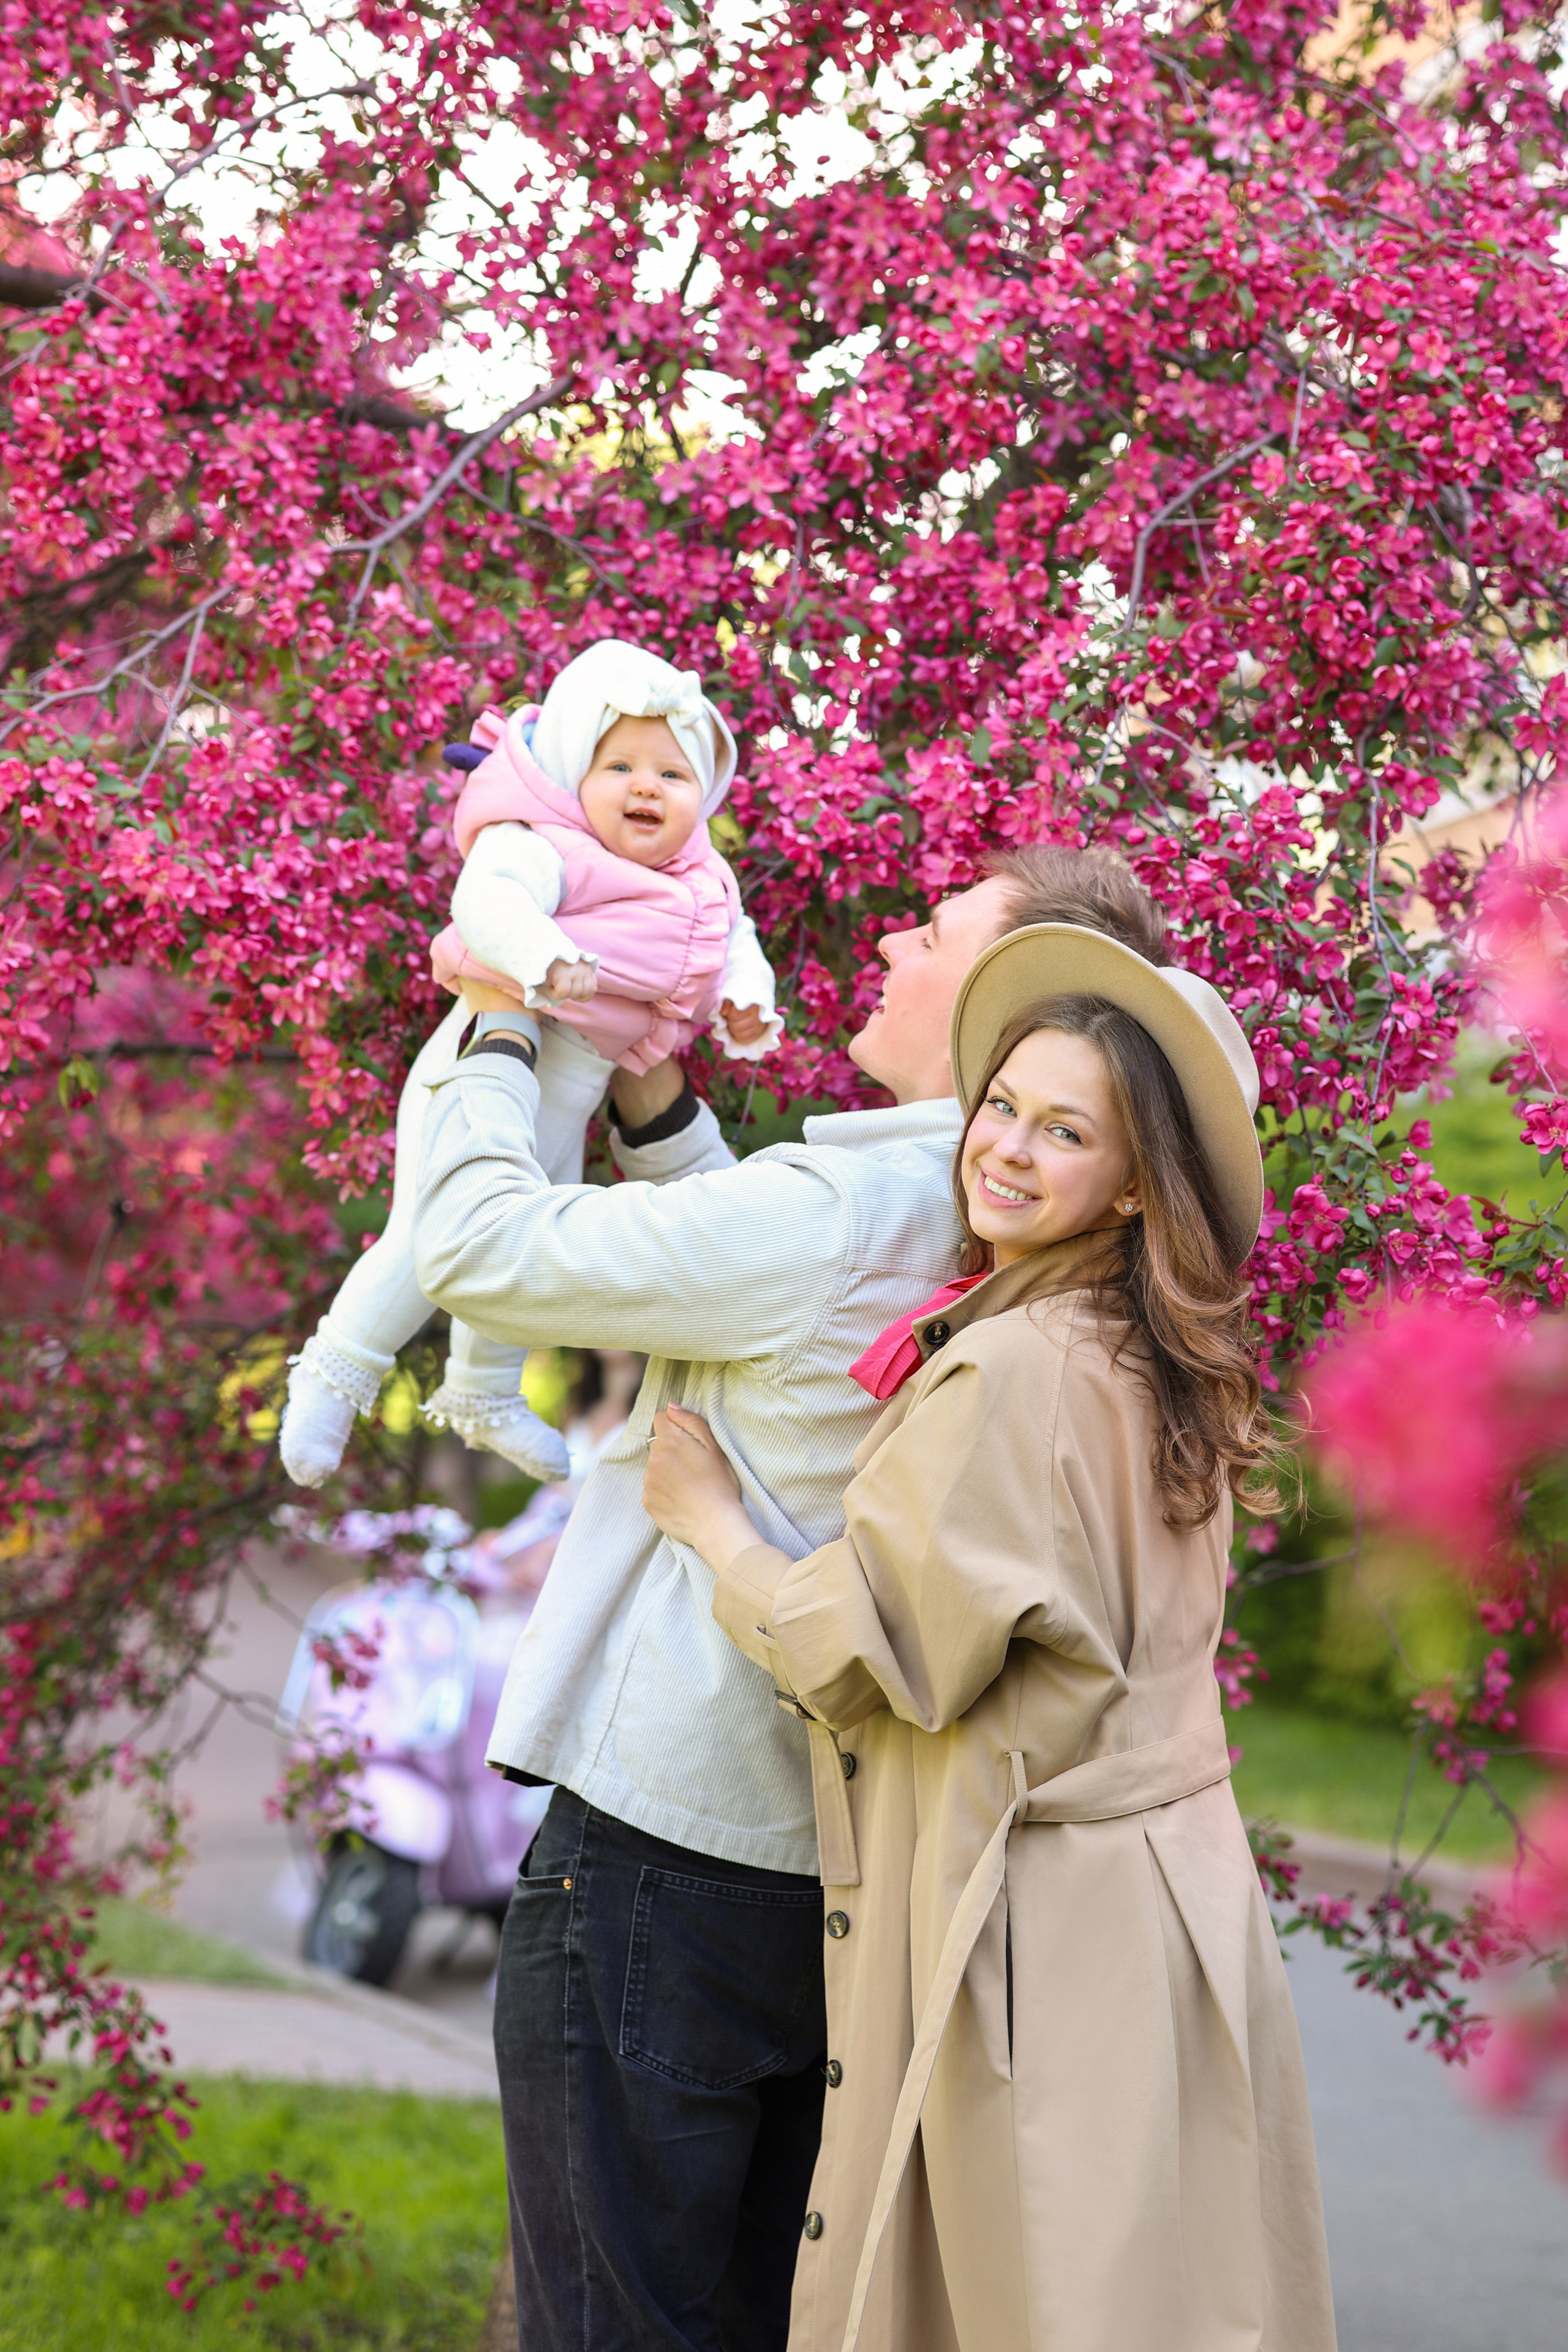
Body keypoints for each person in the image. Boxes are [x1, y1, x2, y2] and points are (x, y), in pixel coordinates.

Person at [412, 848, 1174, 2352]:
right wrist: (649, 1104)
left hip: (656, 1853)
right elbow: (768, 1300)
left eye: (937, 926)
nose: (893, 933)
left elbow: (474, 1249)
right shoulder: (1003, 1220)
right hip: (827, 1867)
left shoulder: (860, 1201)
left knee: (616, 2319)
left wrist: (499, 1026)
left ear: (1014, 998)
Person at [643, 923, 1338, 2352]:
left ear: (1136, 1182)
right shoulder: (1148, 1357)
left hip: (1040, 1927)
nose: (1006, 1150)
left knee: (1027, 2293)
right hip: (1170, 1906)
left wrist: (712, 1526)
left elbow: (871, 1650)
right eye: (1002, 1107)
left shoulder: (1011, 1368)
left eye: (1063, 1130)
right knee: (1160, 2294)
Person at [279, 639, 780, 1488]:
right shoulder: (548, 844)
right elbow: (487, 899)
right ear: (574, 777)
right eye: (619, 765)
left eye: (672, 774)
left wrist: (746, 1002)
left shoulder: (708, 880)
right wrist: (543, 957)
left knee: (525, 1232)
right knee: (429, 1233)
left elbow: (740, 947)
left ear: (706, 796)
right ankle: (332, 1374)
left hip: (574, 1086)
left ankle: (482, 1390)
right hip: (487, 1056)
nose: (646, 787)